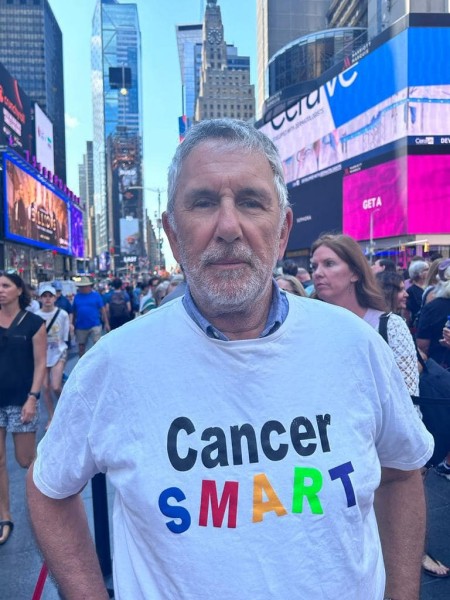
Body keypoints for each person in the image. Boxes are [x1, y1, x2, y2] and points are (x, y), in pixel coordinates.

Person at [28, 119, 433, 600]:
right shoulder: (113, 365)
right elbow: (48, 488)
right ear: (173, 236)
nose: (227, 227)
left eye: (250, 201)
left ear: (282, 230)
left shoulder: (357, 345)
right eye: (202, 203)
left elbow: (404, 472)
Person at [0, 272, 46, 546]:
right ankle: (5, 515)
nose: (0, 291)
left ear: (19, 290)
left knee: (25, 460)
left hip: (22, 400)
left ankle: (43, 510)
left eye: (5, 285)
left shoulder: (33, 323)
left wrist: (33, 397)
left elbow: (41, 363)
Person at [36, 284, 70, 429]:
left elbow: (65, 335)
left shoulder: (62, 314)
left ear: (55, 298)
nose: (48, 299)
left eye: (50, 296)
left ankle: (67, 407)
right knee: (45, 387)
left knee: (56, 386)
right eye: (45, 296)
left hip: (58, 352)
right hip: (42, 354)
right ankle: (52, 416)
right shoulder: (36, 316)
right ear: (40, 298)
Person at [72, 276, 109, 358]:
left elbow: (103, 310)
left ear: (89, 286)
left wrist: (106, 323)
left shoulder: (96, 296)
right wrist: (73, 324)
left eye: (84, 286)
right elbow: (74, 312)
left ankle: (97, 361)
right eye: (80, 287)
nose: (82, 288)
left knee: (97, 345)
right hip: (80, 326)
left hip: (95, 324)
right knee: (81, 347)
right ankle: (81, 364)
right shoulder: (77, 297)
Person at [405, 260, 429, 329]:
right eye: (426, 269)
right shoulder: (411, 291)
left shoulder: (429, 287)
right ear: (419, 273)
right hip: (418, 326)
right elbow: (407, 312)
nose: (429, 271)